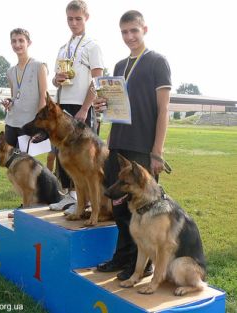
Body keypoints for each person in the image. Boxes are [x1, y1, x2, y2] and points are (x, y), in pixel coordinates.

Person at [94, 10, 172, 281]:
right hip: (117, 144)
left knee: (144, 212)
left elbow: (164, 111)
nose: (129, 37)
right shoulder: (117, 66)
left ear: (144, 30)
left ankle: (146, 264)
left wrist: (157, 152)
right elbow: (115, 108)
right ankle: (122, 257)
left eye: (133, 31)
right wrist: (101, 105)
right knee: (118, 206)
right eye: (124, 32)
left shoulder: (157, 62)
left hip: (142, 148)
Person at [49, 0, 104, 212]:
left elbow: (97, 81)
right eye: (70, 19)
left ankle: (86, 201)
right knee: (63, 151)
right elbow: (55, 80)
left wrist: (84, 109)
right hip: (63, 106)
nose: (74, 23)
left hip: (82, 107)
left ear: (86, 18)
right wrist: (56, 79)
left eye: (78, 19)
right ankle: (69, 195)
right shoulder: (63, 49)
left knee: (82, 155)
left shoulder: (93, 46)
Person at [3, 28, 48, 148]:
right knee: (10, 164)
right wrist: (8, 102)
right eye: (14, 41)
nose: (17, 44)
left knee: (24, 164)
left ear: (29, 43)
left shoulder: (39, 66)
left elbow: (43, 97)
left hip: (29, 124)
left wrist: (38, 125)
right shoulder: (10, 71)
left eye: (21, 40)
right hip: (11, 123)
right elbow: (14, 97)